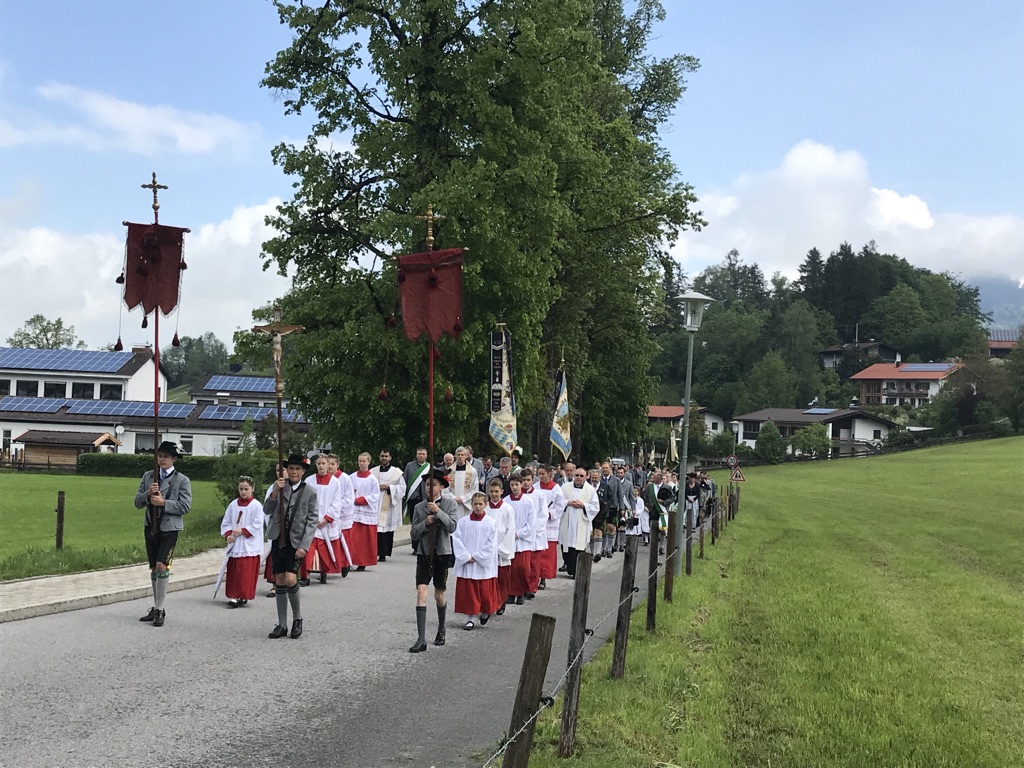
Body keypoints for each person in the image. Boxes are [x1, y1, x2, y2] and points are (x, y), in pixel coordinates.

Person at [134, 440, 192, 627]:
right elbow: (137, 502)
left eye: (166, 456)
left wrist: (164, 503)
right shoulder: (148, 476)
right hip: (151, 527)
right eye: (160, 456)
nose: (162, 459)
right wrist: (148, 495)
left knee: (162, 565)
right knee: (153, 567)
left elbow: (185, 506)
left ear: (173, 459)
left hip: (170, 529)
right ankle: (156, 605)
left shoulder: (182, 480)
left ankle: (160, 608)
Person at [264, 454, 319, 639]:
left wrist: (305, 545)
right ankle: (282, 624)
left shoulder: (310, 492)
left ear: (303, 471)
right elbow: (267, 510)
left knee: (290, 579)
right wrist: (274, 493)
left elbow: (312, 520)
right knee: (279, 579)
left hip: (296, 542)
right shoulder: (278, 486)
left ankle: (297, 618)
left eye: (298, 469)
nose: (294, 472)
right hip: (278, 538)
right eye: (291, 468)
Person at [409, 468, 458, 653]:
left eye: (434, 485)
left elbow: (452, 526)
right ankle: (421, 639)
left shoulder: (450, 504)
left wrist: (438, 512)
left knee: (439, 595)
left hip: (442, 553)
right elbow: (414, 532)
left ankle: (441, 628)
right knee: (422, 591)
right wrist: (425, 523)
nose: (430, 488)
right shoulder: (419, 507)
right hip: (424, 554)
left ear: (441, 487)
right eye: (427, 485)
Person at [452, 492, 500, 630]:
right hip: (468, 561)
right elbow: (457, 539)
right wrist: (466, 556)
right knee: (469, 593)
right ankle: (470, 618)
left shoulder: (491, 523)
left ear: (485, 505)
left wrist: (478, 556)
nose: (478, 507)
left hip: (482, 564)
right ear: (471, 505)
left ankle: (485, 611)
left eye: (480, 504)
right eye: (475, 504)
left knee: (484, 592)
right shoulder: (463, 522)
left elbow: (492, 544)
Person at [219, 475, 265, 607]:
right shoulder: (233, 504)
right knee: (234, 571)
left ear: (252, 489)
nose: (243, 492)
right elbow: (226, 521)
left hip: (249, 545)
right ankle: (233, 595)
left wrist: (243, 531)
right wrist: (228, 534)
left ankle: (243, 595)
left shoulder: (256, 506)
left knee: (245, 572)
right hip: (236, 545)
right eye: (241, 489)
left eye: (246, 489)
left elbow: (257, 523)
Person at [301, 454, 344, 586]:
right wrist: (311, 518)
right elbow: (304, 500)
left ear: (327, 465)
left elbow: (337, 502)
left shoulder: (335, 482)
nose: (321, 466)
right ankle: (306, 575)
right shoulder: (309, 481)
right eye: (318, 464)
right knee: (308, 547)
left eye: (323, 463)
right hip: (312, 520)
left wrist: (326, 519)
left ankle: (323, 573)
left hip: (326, 522)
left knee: (325, 549)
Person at [557, 466, 600, 578]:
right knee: (566, 547)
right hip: (567, 520)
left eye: (581, 476)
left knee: (579, 547)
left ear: (586, 477)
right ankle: (570, 568)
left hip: (581, 520)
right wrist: (567, 502)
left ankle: (577, 571)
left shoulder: (590, 490)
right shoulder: (565, 488)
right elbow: (558, 501)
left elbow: (595, 507)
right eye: (577, 475)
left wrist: (584, 505)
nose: (579, 478)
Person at [503, 474, 535, 605]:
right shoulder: (505, 501)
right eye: (512, 485)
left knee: (522, 567)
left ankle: (521, 592)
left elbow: (532, 522)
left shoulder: (528, 501)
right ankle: (511, 593)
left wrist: (519, 534)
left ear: (521, 485)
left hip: (523, 540)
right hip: (509, 540)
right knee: (512, 568)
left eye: (517, 484)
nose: (515, 487)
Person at [486, 477, 515, 615]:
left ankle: (501, 600)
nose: (494, 494)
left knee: (502, 579)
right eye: (491, 491)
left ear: (502, 491)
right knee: (490, 579)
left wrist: (501, 548)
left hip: (502, 548)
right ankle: (491, 603)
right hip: (488, 549)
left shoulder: (508, 508)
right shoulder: (484, 507)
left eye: (496, 491)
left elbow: (510, 530)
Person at [349, 452, 382, 570]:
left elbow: (376, 495)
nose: (362, 463)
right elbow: (347, 492)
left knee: (364, 540)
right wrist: (352, 499)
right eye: (360, 461)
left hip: (366, 512)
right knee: (353, 538)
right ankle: (350, 560)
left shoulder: (372, 479)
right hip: (354, 512)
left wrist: (362, 500)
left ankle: (363, 562)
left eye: (364, 461)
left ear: (369, 462)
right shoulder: (351, 477)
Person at [371, 449, 405, 562]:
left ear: (390, 457)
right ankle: (374, 552)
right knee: (376, 529)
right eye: (382, 456)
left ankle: (383, 554)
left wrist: (390, 488)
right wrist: (377, 487)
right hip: (376, 503)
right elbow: (368, 486)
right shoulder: (373, 472)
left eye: (386, 456)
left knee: (386, 530)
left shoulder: (396, 473)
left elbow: (402, 488)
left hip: (388, 504)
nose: (384, 458)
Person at [534, 465, 563, 590]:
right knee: (537, 552)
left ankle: (544, 578)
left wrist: (549, 514)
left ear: (549, 474)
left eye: (542, 474)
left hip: (550, 523)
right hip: (538, 522)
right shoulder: (535, 488)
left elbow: (560, 507)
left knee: (547, 553)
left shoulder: (556, 488)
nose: (540, 476)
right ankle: (535, 577)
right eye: (538, 474)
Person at [403, 447, 432, 553]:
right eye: (419, 454)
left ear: (426, 455)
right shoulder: (409, 466)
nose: (421, 456)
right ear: (416, 455)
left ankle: (424, 545)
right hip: (413, 498)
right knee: (414, 522)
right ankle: (415, 546)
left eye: (423, 454)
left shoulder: (429, 467)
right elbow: (404, 480)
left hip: (425, 498)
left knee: (425, 521)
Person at [444, 446, 479, 519]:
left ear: (466, 456)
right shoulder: (449, 471)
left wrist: (463, 499)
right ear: (455, 456)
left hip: (466, 504)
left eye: (462, 455)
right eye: (458, 454)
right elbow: (445, 488)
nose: (460, 457)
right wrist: (454, 498)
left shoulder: (472, 471)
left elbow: (475, 489)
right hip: (452, 502)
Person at [614, 465, 634, 552]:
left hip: (626, 507)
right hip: (616, 506)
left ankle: (622, 544)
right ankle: (614, 544)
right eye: (618, 473)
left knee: (623, 526)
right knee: (615, 526)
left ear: (624, 474)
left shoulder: (629, 484)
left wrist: (633, 509)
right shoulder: (614, 482)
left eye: (621, 473)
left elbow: (632, 497)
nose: (619, 474)